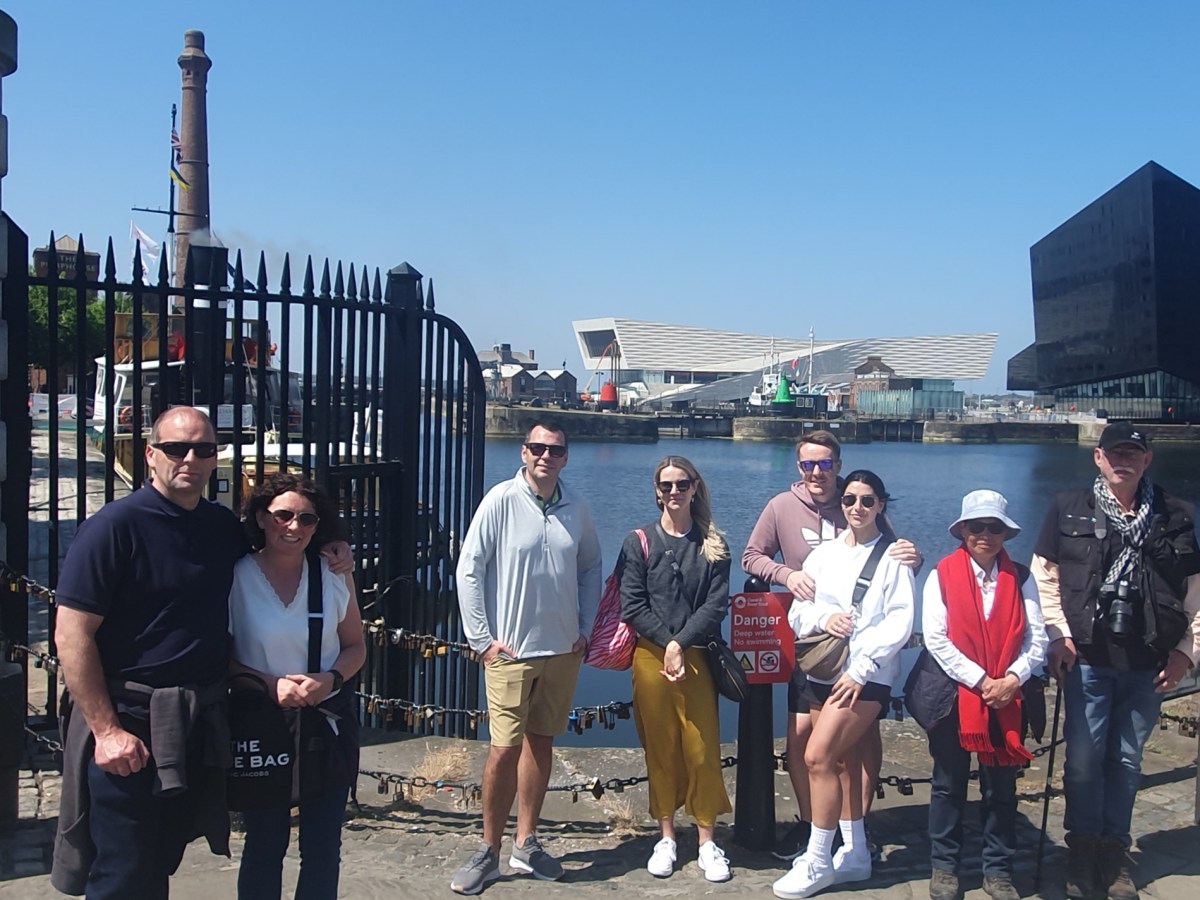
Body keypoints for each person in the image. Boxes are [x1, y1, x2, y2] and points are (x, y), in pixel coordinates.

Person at [50, 406, 352, 899]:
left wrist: (337, 545)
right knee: (124, 865)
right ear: (150, 455)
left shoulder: (220, 527)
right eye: (176, 448)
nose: (190, 458)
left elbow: (282, 541)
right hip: (129, 718)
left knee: (162, 855)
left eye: (204, 449)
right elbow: (71, 635)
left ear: (215, 459)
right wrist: (106, 732)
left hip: (196, 721)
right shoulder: (112, 528)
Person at [1032, 423, 1200, 900]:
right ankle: (1082, 848)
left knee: (1126, 760)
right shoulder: (1067, 507)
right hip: (1086, 656)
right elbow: (1045, 579)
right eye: (1114, 452)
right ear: (1098, 458)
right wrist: (1057, 635)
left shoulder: (1176, 514)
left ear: (1147, 460)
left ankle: (1113, 848)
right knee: (1084, 760)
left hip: (1148, 661)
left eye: (1133, 453)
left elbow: (1195, 592)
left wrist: (1187, 653)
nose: (1123, 460)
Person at [742, 430, 921, 860]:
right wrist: (787, 575)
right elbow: (751, 556)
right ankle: (812, 824)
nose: (817, 472)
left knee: (859, 743)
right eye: (808, 464)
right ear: (798, 467)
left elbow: (891, 562)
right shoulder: (781, 506)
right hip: (813, 646)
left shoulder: (858, 499)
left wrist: (914, 556)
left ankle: (854, 829)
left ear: (838, 466)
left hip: (860, 657)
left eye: (825, 463)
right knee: (802, 737)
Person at [450, 421, 603, 895]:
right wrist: (481, 639)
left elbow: (592, 565)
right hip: (510, 652)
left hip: (561, 650)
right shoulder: (500, 500)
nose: (546, 457)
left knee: (541, 743)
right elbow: (469, 568)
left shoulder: (575, 507)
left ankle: (527, 842)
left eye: (555, 450)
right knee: (502, 750)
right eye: (538, 448)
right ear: (523, 452)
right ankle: (488, 850)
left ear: (565, 457)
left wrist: (584, 627)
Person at [773, 470, 915, 900]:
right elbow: (799, 613)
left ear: (881, 505)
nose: (857, 508)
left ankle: (818, 859)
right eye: (850, 499)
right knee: (841, 763)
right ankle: (854, 854)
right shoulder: (823, 555)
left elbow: (901, 622)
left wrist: (862, 668)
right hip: (822, 670)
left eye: (867, 500)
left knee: (817, 756)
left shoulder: (895, 558)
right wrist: (824, 619)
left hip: (866, 678)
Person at [228, 473, 366, 899]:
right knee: (265, 843)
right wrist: (271, 687)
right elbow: (218, 657)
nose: (295, 527)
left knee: (324, 848)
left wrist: (331, 679)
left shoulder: (333, 572)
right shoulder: (235, 578)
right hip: (264, 724)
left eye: (307, 519)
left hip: (325, 725)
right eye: (283, 515)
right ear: (260, 518)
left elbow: (355, 645)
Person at [911, 491, 1048, 900]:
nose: (985, 534)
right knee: (947, 784)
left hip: (1008, 696)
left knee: (1000, 788)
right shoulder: (941, 574)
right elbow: (936, 637)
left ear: (1006, 533)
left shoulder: (1021, 578)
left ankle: (999, 870)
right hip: (955, 698)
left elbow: (1036, 638)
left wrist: (1012, 678)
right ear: (963, 531)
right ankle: (945, 867)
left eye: (995, 527)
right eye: (977, 526)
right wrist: (981, 681)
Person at [619, 456, 733, 882]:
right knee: (661, 749)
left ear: (695, 488)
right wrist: (666, 644)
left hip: (697, 656)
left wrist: (680, 643)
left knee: (702, 750)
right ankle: (665, 834)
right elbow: (632, 604)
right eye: (666, 485)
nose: (674, 492)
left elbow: (715, 605)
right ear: (656, 490)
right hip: (650, 656)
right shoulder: (638, 542)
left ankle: (707, 840)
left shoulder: (713, 543)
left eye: (682, 484)